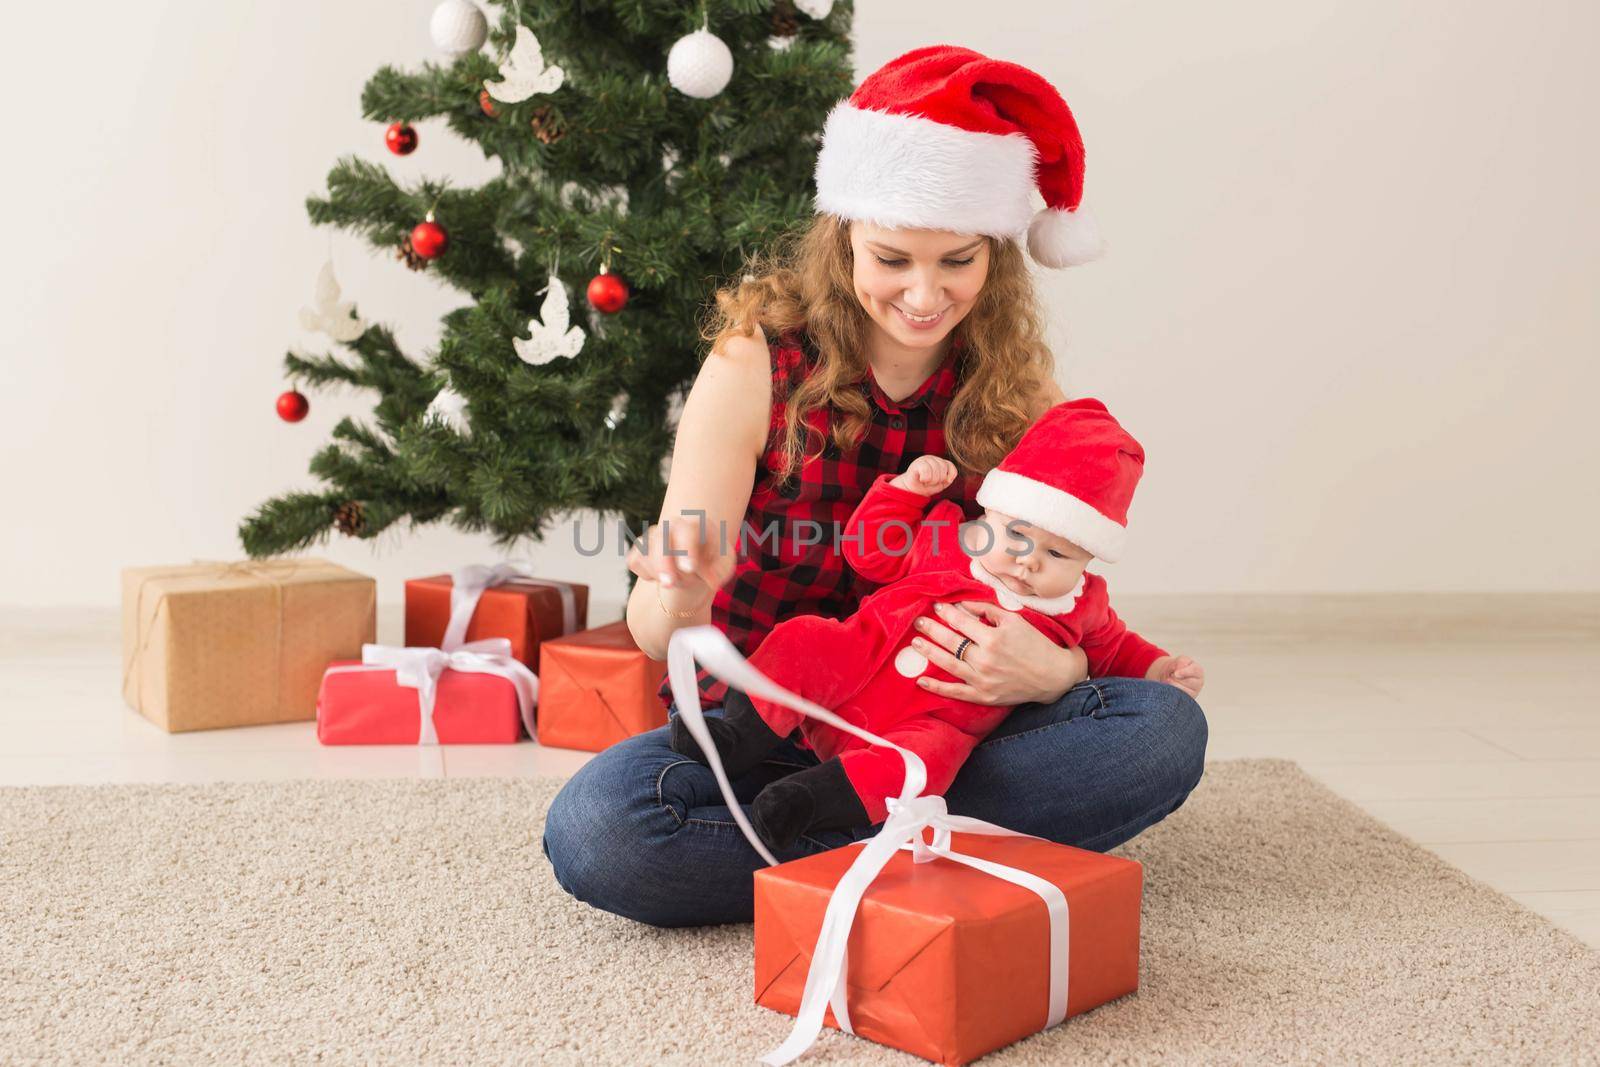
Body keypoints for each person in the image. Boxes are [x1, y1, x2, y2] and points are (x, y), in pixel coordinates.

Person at [542, 43, 1208, 927]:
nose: (924, 294)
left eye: (957, 262)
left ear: (995, 257)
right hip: (765, 727)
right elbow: (653, 625)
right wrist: (679, 596)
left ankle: (838, 848)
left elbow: (1064, 592)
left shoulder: (1015, 392)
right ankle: (917, 849)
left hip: (935, 730)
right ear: (844, 236)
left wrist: (1057, 669)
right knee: (601, 832)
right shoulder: (754, 364)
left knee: (1161, 729)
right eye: (892, 258)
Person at [665, 399, 1206, 851]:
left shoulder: (1082, 604)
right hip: (853, 664)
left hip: (931, 723)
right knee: (803, 640)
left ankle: (812, 804)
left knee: (926, 764)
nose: (1028, 562)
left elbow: (1119, 650)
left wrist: (1159, 668)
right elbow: (868, 554)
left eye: (1057, 553)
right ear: (988, 513)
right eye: (1016, 538)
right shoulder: (945, 534)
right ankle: (738, 736)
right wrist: (905, 493)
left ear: (1088, 561)